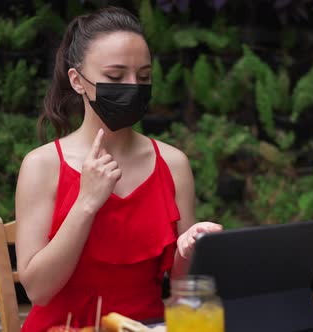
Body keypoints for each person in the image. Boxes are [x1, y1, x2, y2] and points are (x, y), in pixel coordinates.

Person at [14, 7, 222, 331]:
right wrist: (87, 202)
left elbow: (185, 286)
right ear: (77, 81)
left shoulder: (173, 164)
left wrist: (192, 248)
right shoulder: (42, 165)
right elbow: (38, 290)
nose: (132, 86)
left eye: (143, 77)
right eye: (114, 76)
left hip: (149, 326)